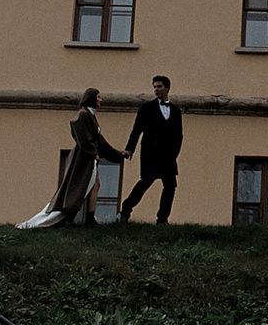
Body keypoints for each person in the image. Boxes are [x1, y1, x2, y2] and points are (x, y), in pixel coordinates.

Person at [19, 87, 121, 229]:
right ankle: (80, 217)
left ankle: (89, 217)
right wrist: (93, 152)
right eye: (98, 97)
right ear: (91, 98)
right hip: (84, 158)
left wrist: (118, 155)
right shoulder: (84, 114)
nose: (100, 100)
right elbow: (82, 135)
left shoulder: (89, 115)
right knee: (86, 185)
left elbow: (99, 141)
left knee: (95, 184)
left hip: (88, 157)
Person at [118, 75, 184, 223]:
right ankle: (125, 210)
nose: (156, 89)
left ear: (167, 88)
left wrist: (174, 154)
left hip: (168, 156)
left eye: (159, 86)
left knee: (170, 185)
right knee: (145, 183)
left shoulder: (176, 111)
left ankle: (162, 219)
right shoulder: (146, 108)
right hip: (151, 154)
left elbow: (179, 135)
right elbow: (136, 130)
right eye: (154, 87)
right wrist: (130, 149)